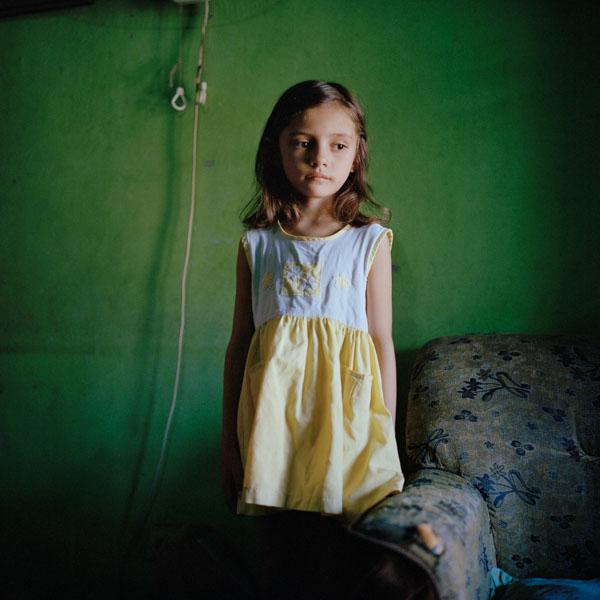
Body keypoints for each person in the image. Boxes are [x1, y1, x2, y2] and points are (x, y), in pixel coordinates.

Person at [221, 81, 443, 599]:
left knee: (349, 565)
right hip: (275, 433)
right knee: (285, 565)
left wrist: (386, 437)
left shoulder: (370, 241)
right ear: (277, 149)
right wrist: (230, 446)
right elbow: (239, 345)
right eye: (303, 143)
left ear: (356, 153)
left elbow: (381, 340)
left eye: (338, 145)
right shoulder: (257, 245)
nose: (320, 158)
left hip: (350, 429)